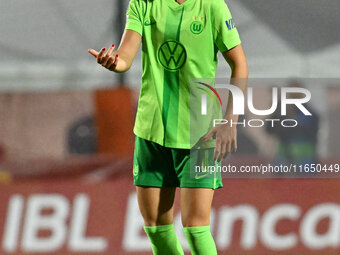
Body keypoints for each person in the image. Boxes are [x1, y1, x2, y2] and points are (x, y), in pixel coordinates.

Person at [89, 0, 248, 254]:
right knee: (156, 228)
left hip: (201, 134)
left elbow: (239, 64)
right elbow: (125, 56)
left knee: (196, 229)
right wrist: (115, 63)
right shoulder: (142, 4)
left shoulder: (212, 7)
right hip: (151, 130)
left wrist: (231, 120)